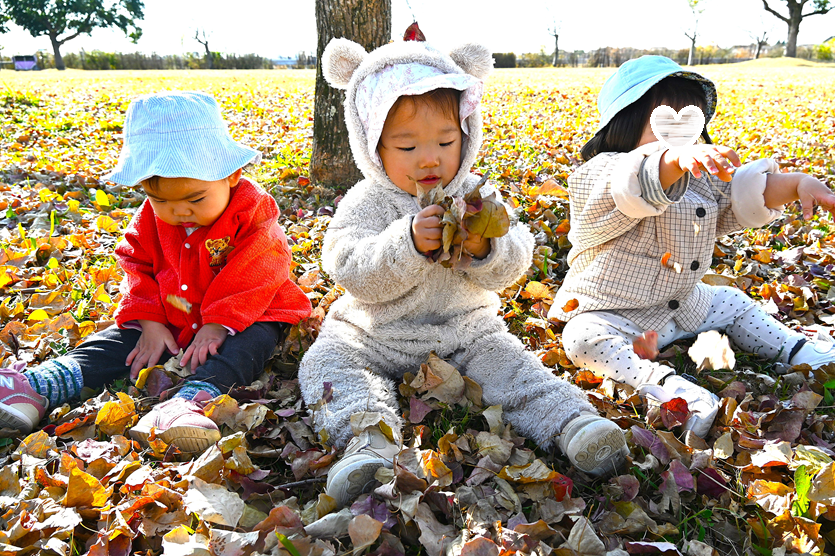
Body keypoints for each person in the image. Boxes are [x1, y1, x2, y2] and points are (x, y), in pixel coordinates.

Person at [299, 33, 630, 508]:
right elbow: (349, 268)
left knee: (513, 366)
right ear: (373, 148)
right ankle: (368, 441)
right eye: (406, 146)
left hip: (465, 332)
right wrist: (406, 244)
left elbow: (515, 259)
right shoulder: (366, 202)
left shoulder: (477, 195)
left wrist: (485, 247)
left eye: (445, 141)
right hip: (375, 334)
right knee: (326, 364)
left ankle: (572, 423)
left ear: (466, 134)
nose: (429, 157)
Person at [0, 91, 311, 454]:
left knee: (247, 345)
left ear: (231, 175)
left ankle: (191, 402)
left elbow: (257, 271)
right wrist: (149, 321)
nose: (178, 211)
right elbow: (136, 264)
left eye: (195, 199)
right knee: (123, 342)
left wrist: (218, 324)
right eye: (160, 199)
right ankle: (38, 386)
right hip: (175, 313)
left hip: (249, 314)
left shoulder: (252, 213)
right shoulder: (150, 219)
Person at [549, 55, 835, 438]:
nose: (680, 139)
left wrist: (797, 184)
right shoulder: (602, 173)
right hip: (614, 314)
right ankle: (671, 390)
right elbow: (633, 183)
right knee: (581, 339)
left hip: (682, 306)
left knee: (732, 301)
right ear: (624, 124)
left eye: (690, 127)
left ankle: (799, 351)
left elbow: (744, 192)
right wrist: (672, 158)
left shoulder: (698, 178)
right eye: (664, 127)